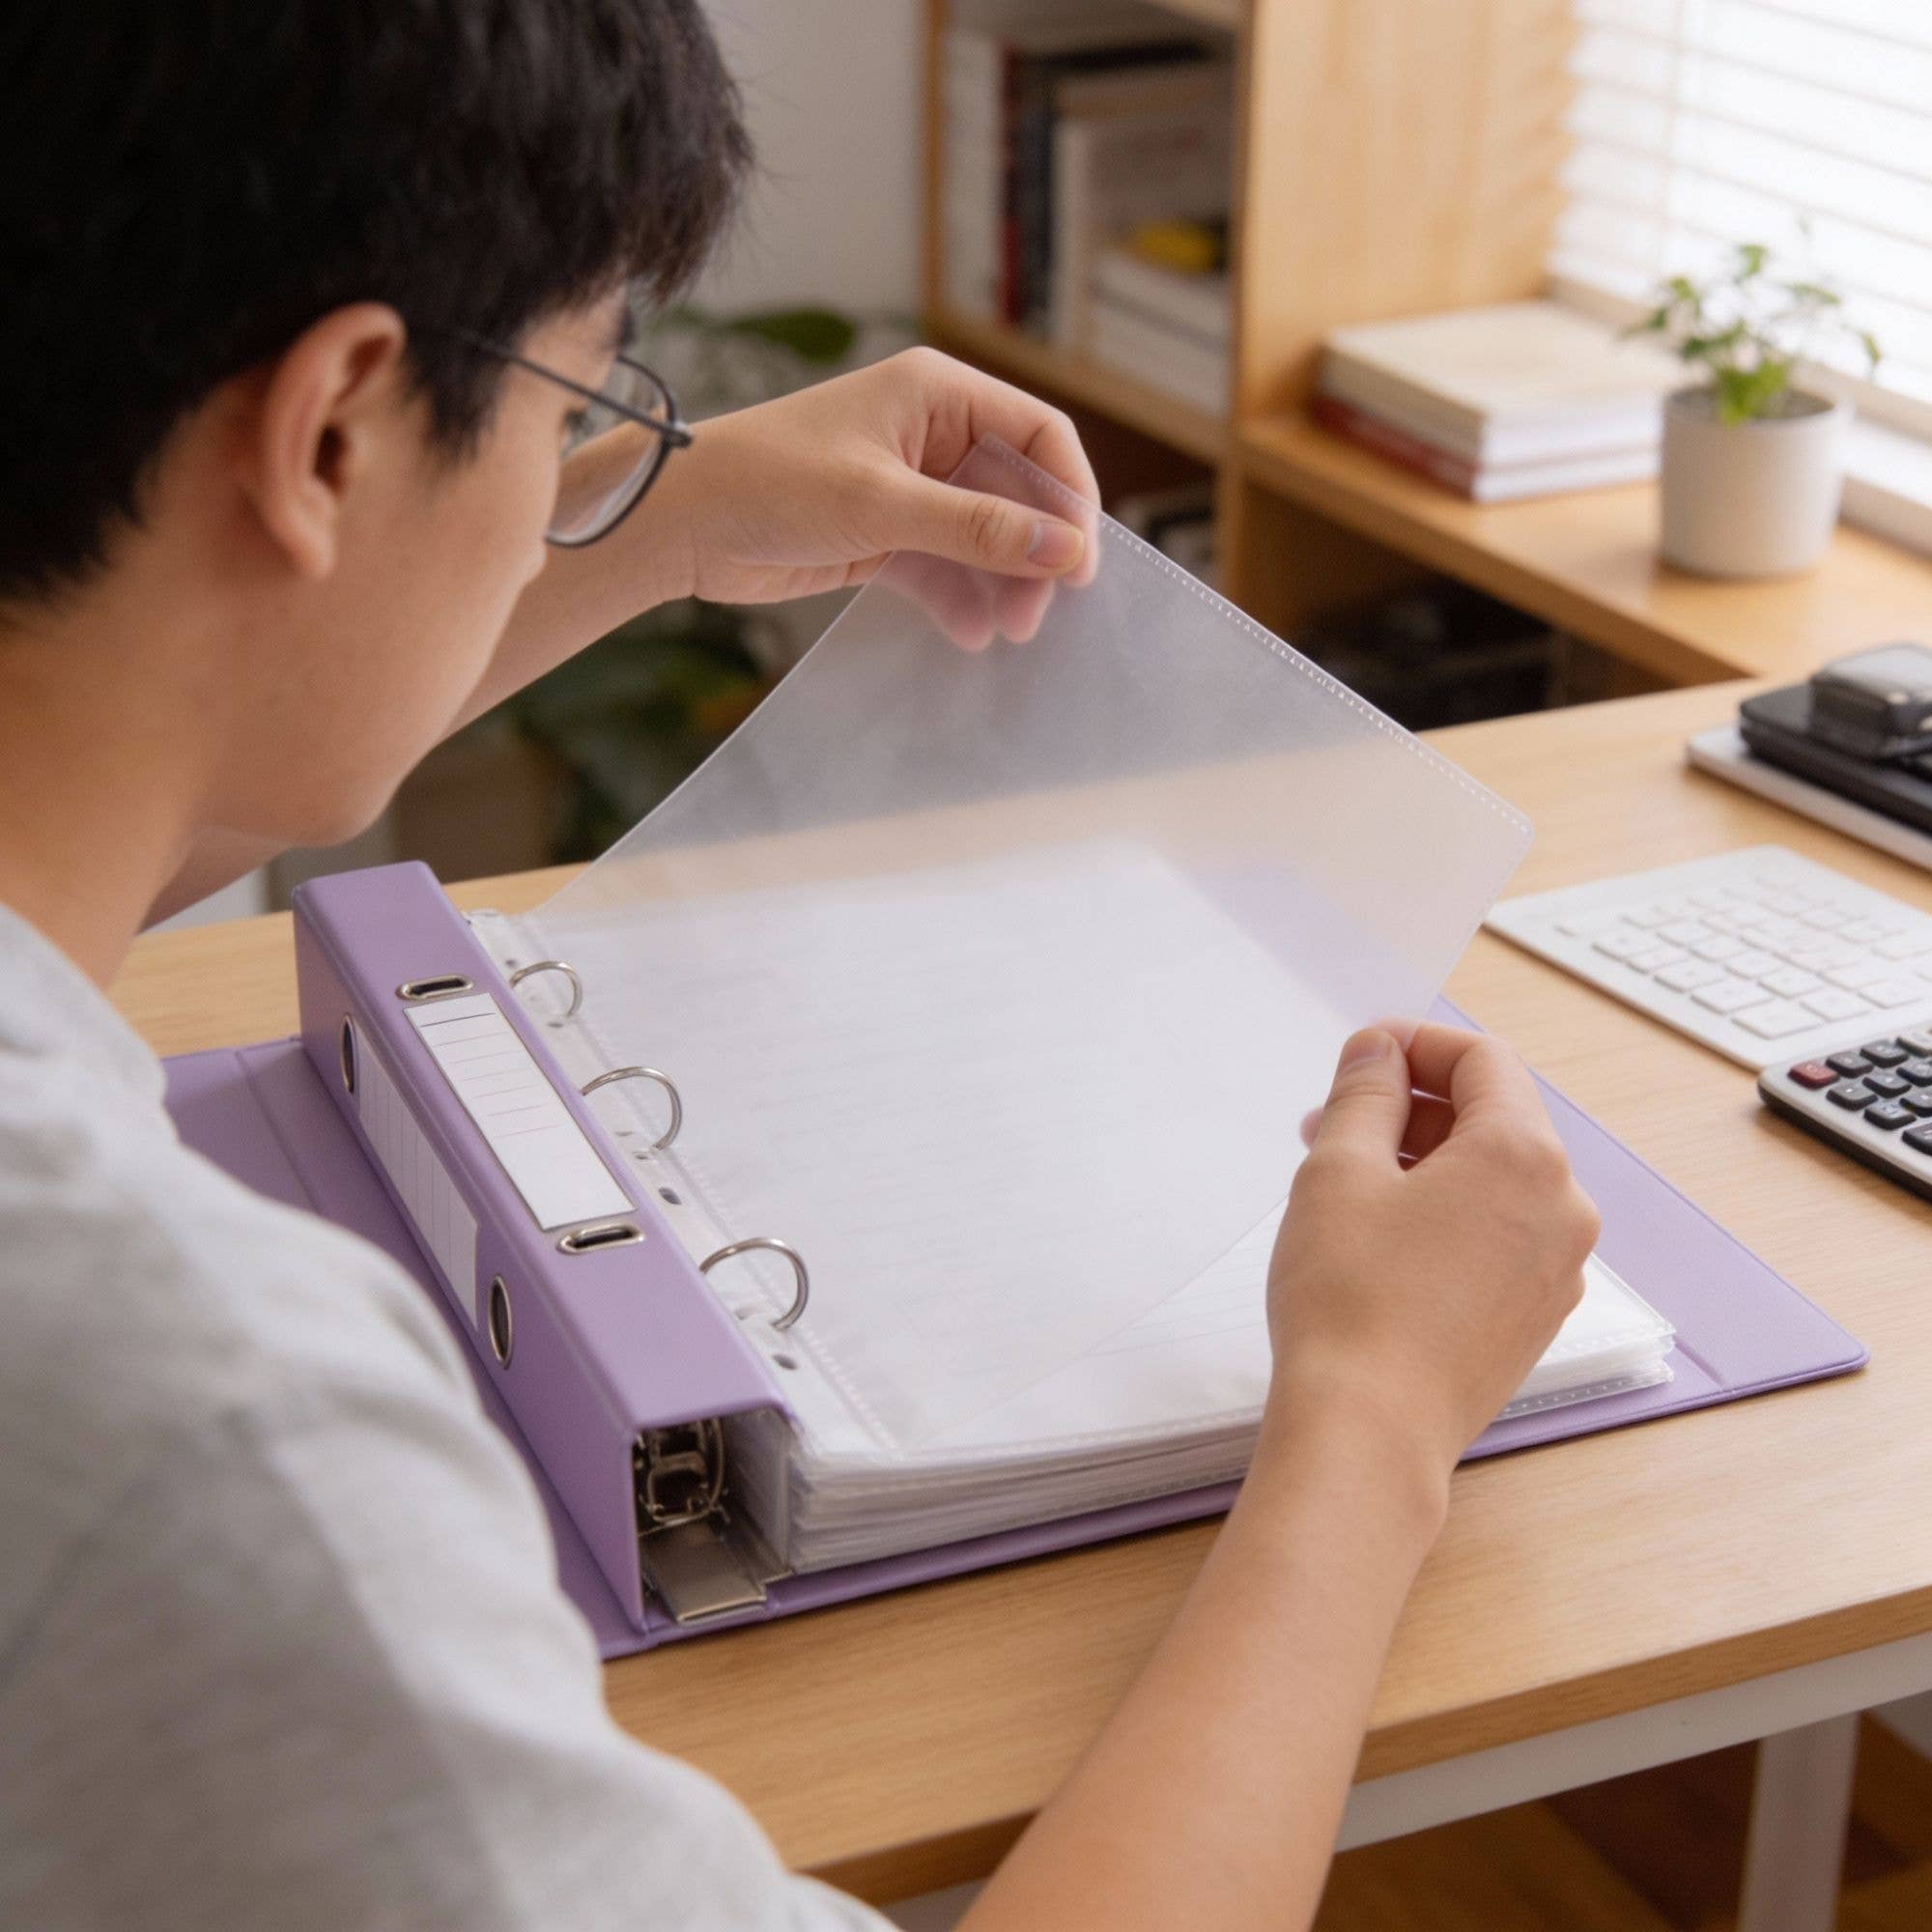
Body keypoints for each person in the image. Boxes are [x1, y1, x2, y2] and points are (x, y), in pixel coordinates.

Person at [0, 4, 1600, 1928]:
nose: (576, 475)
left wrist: (656, 519)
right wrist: (1372, 1416)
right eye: (578, 415)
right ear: (335, 425)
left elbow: (122, 821)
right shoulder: (212, 1436)